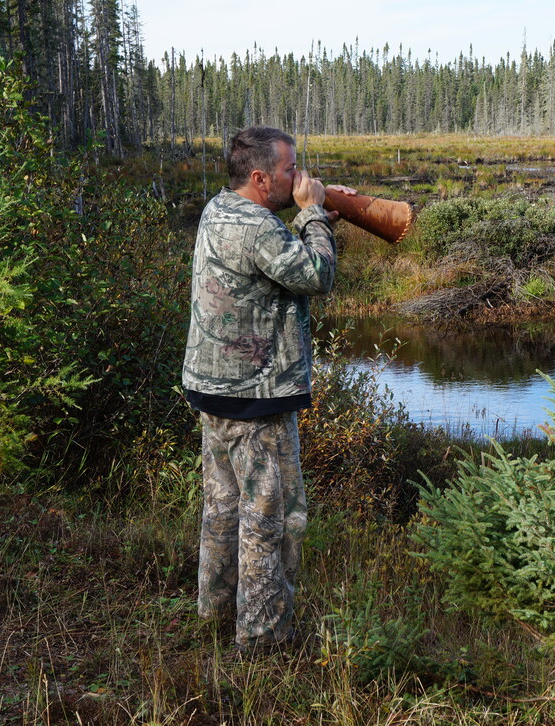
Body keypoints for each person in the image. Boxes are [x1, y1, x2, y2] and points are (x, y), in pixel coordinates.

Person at [181, 126, 355, 652]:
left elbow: (277, 257)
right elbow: (317, 276)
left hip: (213, 390)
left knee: (224, 506)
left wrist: (312, 219)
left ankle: (213, 613)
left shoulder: (220, 208)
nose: (298, 176)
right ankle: (262, 641)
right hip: (256, 398)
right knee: (271, 517)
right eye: (288, 169)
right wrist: (310, 217)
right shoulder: (260, 227)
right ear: (260, 178)